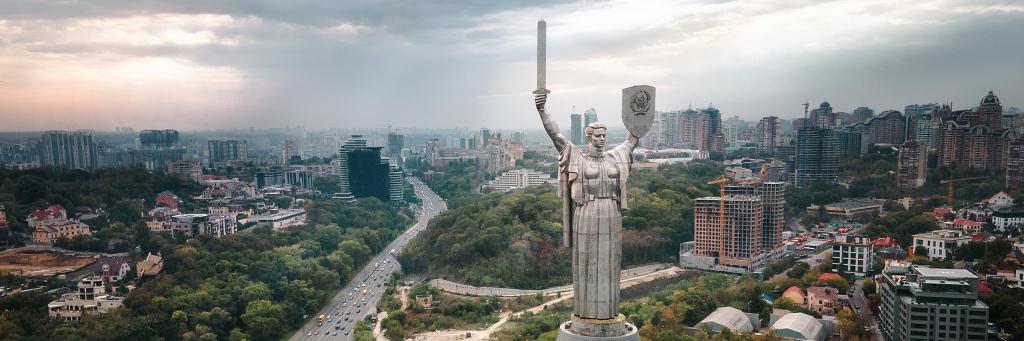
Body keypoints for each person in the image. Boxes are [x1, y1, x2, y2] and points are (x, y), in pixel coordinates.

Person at [534, 93, 639, 320]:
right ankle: (585, 313)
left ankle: (608, 312)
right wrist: (542, 111)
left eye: (604, 135)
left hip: (612, 212)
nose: (602, 139)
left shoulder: (615, 157)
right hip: (586, 212)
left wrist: (639, 116)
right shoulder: (578, 158)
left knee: (611, 259)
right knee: (586, 260)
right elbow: (557, 136)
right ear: (589, 137)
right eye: (597, 136)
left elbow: (632, 139)